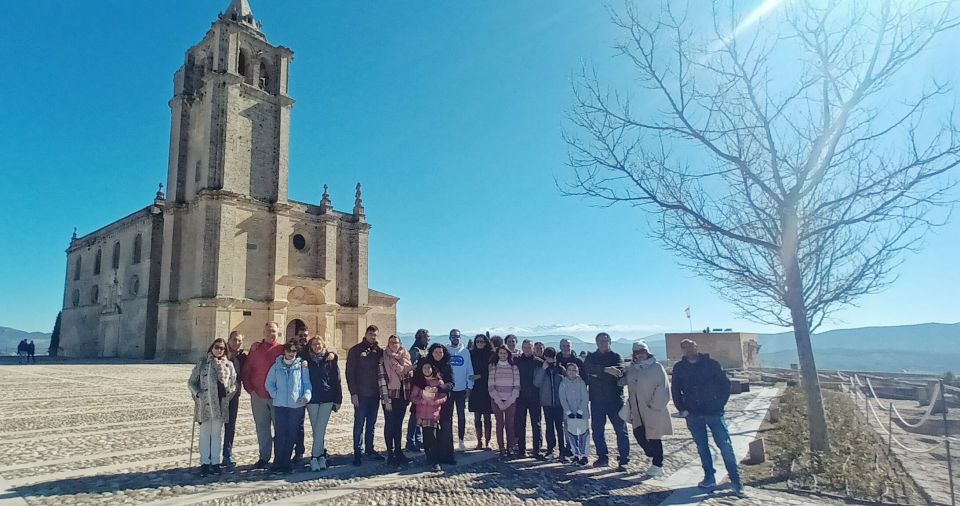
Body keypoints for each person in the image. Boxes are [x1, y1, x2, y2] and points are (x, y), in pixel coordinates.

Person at [672, 339, 745, 497]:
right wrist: (682, 409)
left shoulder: (711, 364)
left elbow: (725, 385)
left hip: (714, 413)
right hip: (693, 414)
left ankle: (736, 481)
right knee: (702, 447)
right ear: (682, 350)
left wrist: (719, 404)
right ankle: (709, 477)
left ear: (696, 347)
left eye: (691, 346)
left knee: (725, 446)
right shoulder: (679, 368)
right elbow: (676, 390)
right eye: (684, 347)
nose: (688, 350)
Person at [620, 341, 672, 477]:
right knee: (639, 434)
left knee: (654, 436)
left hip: (652, 409)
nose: (640, 355)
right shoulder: (632, 368)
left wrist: (655, 405)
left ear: (647, 352)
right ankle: (652, 455)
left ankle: (658, 465)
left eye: (642, 351)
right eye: (637, 352)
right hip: (637, 409)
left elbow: (663, 387)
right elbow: (625, 380)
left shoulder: (656, 367)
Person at [188, 338, 238, 477]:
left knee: (216, 435)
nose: (219, 350)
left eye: (222, 348)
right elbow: (191, 382)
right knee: (204, 435)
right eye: (216, 347)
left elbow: (234, 383)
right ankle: (205, 463)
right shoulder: (203, 363)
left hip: (220, 406)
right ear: (211, 348)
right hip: (204, 404)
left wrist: (228, 395)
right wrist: (198, 394)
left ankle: (215, 463)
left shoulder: (229, 365)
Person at [583, 332, 630, 471]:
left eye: (605, 340)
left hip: (615, 400)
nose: (603, 343)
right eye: (600, 341)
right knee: (597, 430)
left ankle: (624, 460)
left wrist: (598, 374)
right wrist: (606, 370)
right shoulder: (591, 357)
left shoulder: (616, 357)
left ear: (610, 342)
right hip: (597, 400)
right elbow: (587, 369)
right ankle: (602, 457)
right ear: (596, 342)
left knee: (621, 431)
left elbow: (619, 373)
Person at [265, 341, 312, 474]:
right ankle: (277, 461)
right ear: (284, 351)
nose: (291, 353)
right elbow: (269, 383)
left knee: (291, 434)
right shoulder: (276, 366)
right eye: (289, 350)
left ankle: (286, 462)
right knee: (280, 434)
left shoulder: (301, 366)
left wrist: (305, 397)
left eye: (294, 351)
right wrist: (276, 395)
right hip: (280, 405)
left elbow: (307, 384)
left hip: (295, 405)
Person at [244, 322, 285, 469]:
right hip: (258, 395)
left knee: (279, 428)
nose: (271, 333)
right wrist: (251, 390)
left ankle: (280, 456)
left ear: (278, 333)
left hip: (277, 397)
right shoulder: (255, 350)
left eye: (273, 331)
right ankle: (264, 457)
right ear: (263, 332)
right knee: (262, 428)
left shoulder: (282, 349)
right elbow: (247, 370)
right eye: (268, 331)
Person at [346, 325, 385, 465]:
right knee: (359, 424)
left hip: (375, 394)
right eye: (370, 334)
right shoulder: (356, 350)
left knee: (371, 424)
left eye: (375, 335)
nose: (372, 337)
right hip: (361, 394)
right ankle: (357, 452)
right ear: (366, 334)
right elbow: (350, 373)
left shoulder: (379, 351)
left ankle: (370, 449)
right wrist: (353, 393)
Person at [303, 335, 341, 472]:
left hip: (327, 398)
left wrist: (338, 400)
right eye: (314, 344)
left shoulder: (330, 360)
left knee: (320, 429)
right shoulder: (306, 359)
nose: (317, 346)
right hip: (312, 399)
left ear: (324, 345)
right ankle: (320, 457)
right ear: (310, 346)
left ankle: (314, 457)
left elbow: (337, 380)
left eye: (319, 344)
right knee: (317, 430)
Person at [379, 334, 413, 466]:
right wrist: (386, 400)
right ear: (388, 344)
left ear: (400, 344)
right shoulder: (384, 359)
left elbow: (409, 376)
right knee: (390, 425)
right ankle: (390, 453)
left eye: (396, 342)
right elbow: (381, 380)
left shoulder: (406, 357)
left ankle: (399, 451)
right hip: (390, 396)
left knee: (398, 426)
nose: (394, 344)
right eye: (391, 342)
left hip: (403, 396)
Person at [410, 361, 449, 472]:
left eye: (428, 367)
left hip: (433, 413)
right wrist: (422, 401)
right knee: (426, 438)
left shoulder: (438, 381)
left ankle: (435, 460)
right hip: (422, 414)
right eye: (424, 368)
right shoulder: (419, 382)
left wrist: (436, 402)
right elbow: (412, 397)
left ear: (432, 369)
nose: (426, 370)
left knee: (433, 437)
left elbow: (444, 396)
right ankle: (429, 457)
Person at [424, 343, 456, 465]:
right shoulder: (426, 365)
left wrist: (442, 387)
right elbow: (420, 381)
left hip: (445, 401)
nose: (438, 354)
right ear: (431, 353)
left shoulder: (447, 366)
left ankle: (446, 455)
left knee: (446, 428)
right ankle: (432, 457)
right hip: (429, 402)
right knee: (430, 430)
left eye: (440, 352)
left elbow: (452, 383)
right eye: (436, 352)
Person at [534, 347, 567, 460]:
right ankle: (550, 449)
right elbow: (537, 383)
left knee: (560, 427)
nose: (550, 359)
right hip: (547, 403)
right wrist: (543, 369)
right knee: (549, 427)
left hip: (559, 403)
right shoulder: (540, 368)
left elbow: (566, 384)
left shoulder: (561, 369)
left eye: (552, 356)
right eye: (548, 356)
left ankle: (562, 450)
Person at [487, 345, 520, 458]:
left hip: (511, 400)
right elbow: (491, 386)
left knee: (510, 425)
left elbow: (517, 386)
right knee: (499, 424)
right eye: (500, 353)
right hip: (497, 401)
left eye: (505, 353)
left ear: (508, 354)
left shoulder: (513, 367)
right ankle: (501, 448)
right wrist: (499, 401)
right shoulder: (493, 367)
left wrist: (509, 401)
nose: (502, 355)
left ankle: (510, 447)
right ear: (497, 354)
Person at [446, 329, 475, 452]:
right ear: (449, 338)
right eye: (453, 336)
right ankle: (448, 441)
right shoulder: (446, 351)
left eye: (457, 336)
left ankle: (461, 440)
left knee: (461, 416)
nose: (455, 338)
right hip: (449, 389)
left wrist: (470, 386)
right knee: (447, 417)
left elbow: (469, 370)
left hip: (461, 390)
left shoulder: (465, 352)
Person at [222, 331, 247, 468]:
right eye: (235, 340)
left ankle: (227, 453)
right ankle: (211, 455)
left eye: (240, 341)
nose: (237, 343)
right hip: (218, 396)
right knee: (215, 426)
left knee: (230, 425)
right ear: (229, 340)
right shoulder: (221, 353)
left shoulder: (242, 357)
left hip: (234, 396)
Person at [514, 339, 543, 459]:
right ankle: (521, 449)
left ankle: (537, 450)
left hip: (535, 397)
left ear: (533, 348)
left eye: (529, 347)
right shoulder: (517, 361)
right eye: (525, 347)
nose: (527, 349)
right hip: (520, 397)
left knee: (536, 424)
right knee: (521, 424)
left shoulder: (538, 362)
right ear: (522, 348)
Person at [559, 362, 590, 465]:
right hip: (569, 414)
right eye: (569, 370)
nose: (572, 372)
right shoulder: (563, 383)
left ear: (577, 371)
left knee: (583, 434)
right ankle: (576, 454)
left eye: (574, 370)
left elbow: (585, 398)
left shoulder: (581, 382)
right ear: (566, 371)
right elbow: (562, 399)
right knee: (572, 435)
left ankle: (584, 455)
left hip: (582, 414)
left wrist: (580, 411)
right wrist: (568, 412)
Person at [406, 328, 431, 453]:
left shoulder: (424, 350)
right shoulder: (415, 352)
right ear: (420, 338)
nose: (428, 339)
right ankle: (410, 441)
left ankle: (418, 439)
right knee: (415, 415)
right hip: (416, 386)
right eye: (427, 337)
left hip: (424, 386)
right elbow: (411, 369)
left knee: (420, 414)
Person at [291, 324, 311, 464]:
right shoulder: (292, 349)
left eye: (305, 335)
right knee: (297, 423)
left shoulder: (312, 348)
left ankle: (317, 451)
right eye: (301, 335)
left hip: (311, 391)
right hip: (296, 392)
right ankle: (298, 451)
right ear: (296, 336)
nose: (303, 338)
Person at [469, 334, 494, 450]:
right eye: (477, 341)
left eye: (482, 341)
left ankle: (488, 442)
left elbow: (492, 372)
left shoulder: (491, 354)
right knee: (477, 416)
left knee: (487, 417)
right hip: (475, 388)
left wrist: (479, 376)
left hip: (487, 388)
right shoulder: (471, 354)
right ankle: (479, 441)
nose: (479, 343)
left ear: (486, 342)